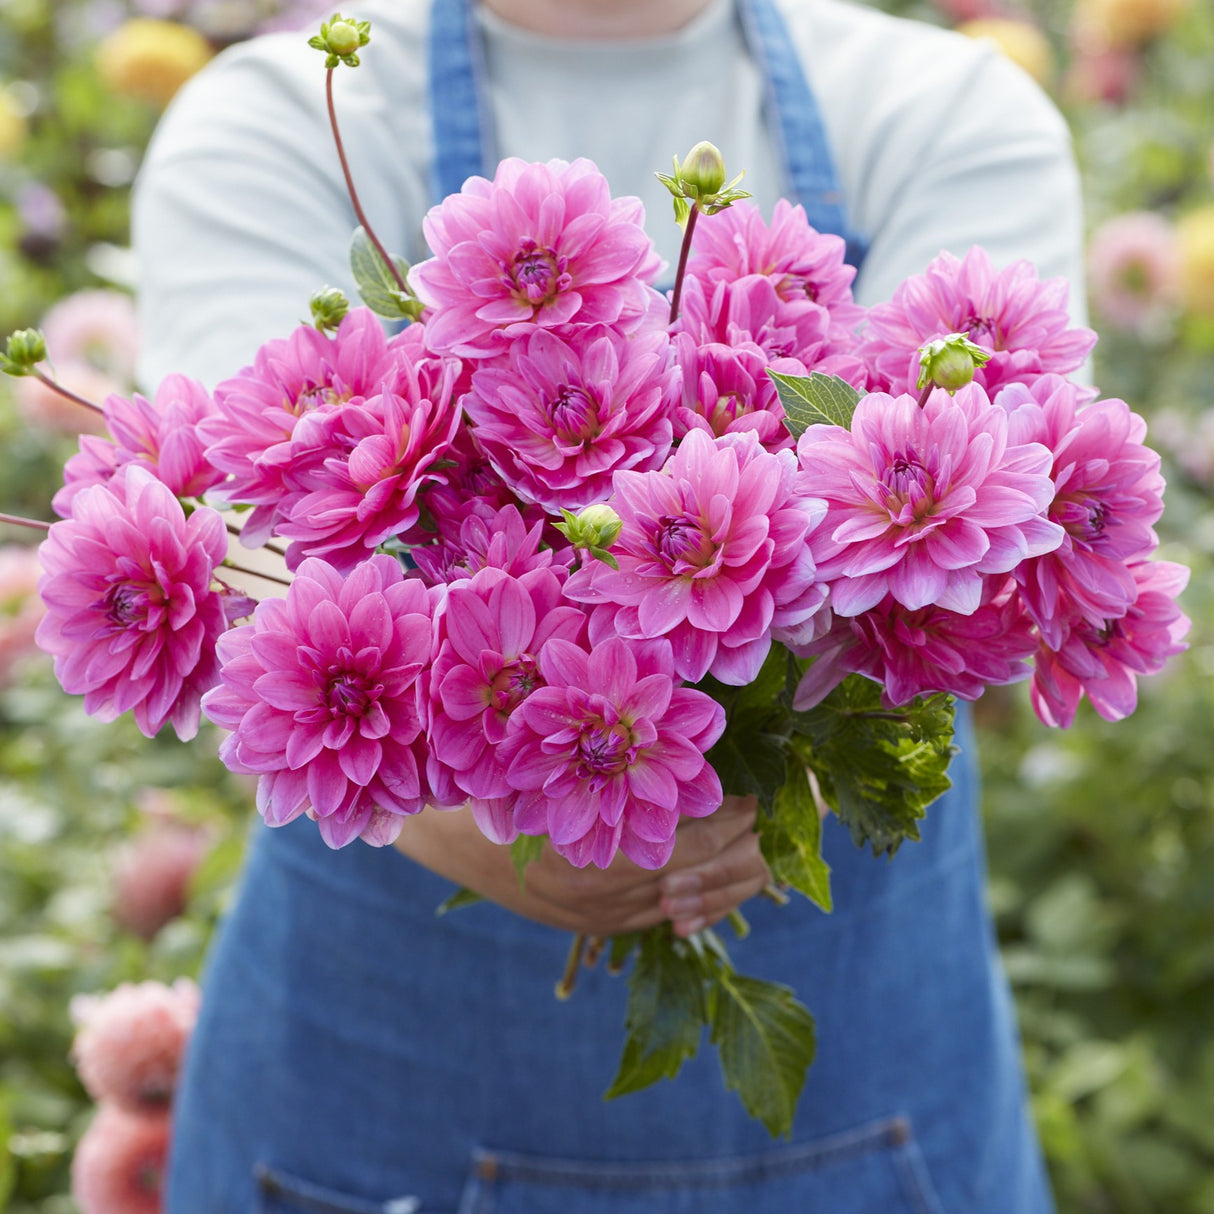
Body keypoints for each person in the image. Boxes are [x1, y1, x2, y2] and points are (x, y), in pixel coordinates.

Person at [133, 0, 1086, 1209]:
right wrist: (461, 814)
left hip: (877, 1099)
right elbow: (240, 567)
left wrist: (660, 772)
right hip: (371, 1110)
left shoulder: (942, 105)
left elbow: (985, 550)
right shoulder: (274, 117)